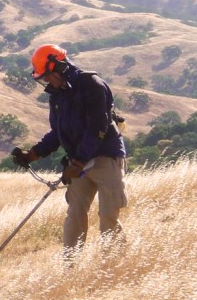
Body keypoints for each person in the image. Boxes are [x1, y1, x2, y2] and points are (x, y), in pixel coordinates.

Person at [12, 44, 128, 256]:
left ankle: (116, 265)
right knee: (74, 215)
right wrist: (32, 154)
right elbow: (58, 133)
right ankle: (70, 268)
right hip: (79, 163)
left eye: (47, 76)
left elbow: (97, 129)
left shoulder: (92, 85)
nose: (47, 82)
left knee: (107, 215)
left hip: (106, 157)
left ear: (60, 67)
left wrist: (78, 162)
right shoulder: (57, 96)